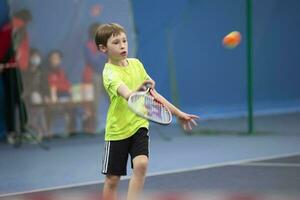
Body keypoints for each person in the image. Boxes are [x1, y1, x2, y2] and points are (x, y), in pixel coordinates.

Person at [95, 23, 199, 200]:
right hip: (117, 131)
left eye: (124, 41)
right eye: (116, 42)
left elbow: (154, 94)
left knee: (141, 164)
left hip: (139, 125)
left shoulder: (136, 64)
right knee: (113, 179)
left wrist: (179, 113)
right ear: (103, 48)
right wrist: (140, 87)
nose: (122, 45)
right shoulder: (109, 73)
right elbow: (129, 96)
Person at [0, 9, 31, 144]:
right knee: (17, 100)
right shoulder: (16, 28)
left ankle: (17, 131)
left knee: (15, 100)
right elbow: (10, 48)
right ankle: (19, 131)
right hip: (13, 69)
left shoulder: (9, 28)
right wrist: (2, 62)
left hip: (14, 69)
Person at [22, 48, 51, 139]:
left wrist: (46, 95)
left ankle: (43, 131)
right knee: (34, 99)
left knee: (37, 100)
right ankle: (37, 130)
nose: (36, 59)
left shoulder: (42, 72)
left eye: (38, 56)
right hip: (26, 97)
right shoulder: (24, 72)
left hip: (40, 98)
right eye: (34, 56)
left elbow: (45, 87)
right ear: (29, 58)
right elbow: (24, 87)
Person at [46, 50, 76, 135]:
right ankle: (49, 132)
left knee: (73, 108)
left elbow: (68, 86)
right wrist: (52, 98)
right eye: (53, 58)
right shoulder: (47, 73)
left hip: (65, 96)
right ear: (50, 60)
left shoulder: (62, 72)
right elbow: (51, 88)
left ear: (60, 60)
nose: (55, 60)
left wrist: (71, 95)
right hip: (54, 98)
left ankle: (71, 131)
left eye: (57, 58)